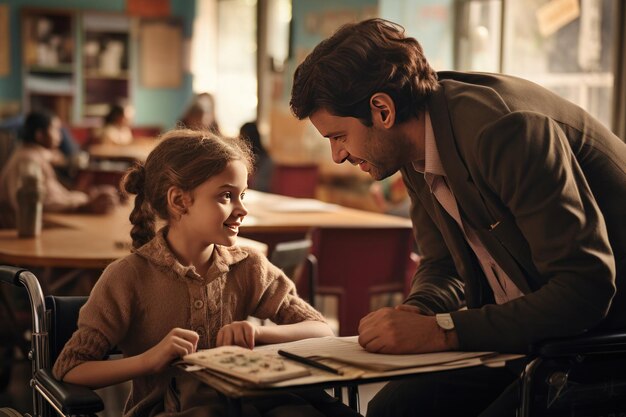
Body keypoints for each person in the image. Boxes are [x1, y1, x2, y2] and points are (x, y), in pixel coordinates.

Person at [289, 18, 626, 417]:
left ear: (382, 110)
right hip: (530, 335)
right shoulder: (412, 147)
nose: (337, 156)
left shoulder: (503, 132)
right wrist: (418, 311)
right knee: (392, 412)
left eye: (338, 136)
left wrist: (443, 331)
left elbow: (584, 291)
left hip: (597, 345)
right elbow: (444, 264)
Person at [52, 129, 360, 417]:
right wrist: (149, 360)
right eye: (226, 196)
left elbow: (320, 331)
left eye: (242, 195)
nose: (242, 208)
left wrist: (260, 333)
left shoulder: (248, 266)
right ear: (179, 201)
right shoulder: (128, 277)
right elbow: (70, 368)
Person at [0, 110, 119, 228]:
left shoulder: (31, 155)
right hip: (21, 231)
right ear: (40, 135)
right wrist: (86, 205)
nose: (60, 136)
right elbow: (41, 204)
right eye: (55, 130)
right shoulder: (28, 161)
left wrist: (85, 196)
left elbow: (54, 196)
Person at [240, 121, 273, 192]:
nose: (239, 140)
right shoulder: (242, 158)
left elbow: (260, 186)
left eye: (241, 136)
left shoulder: (266, 160)